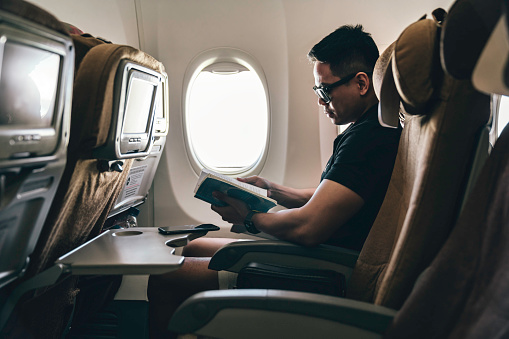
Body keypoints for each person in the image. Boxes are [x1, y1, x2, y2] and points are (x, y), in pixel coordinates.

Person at [147, 24, 402, 338]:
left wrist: (251, 218)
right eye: (316, 91)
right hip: (327, 254)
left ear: (362, 83)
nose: (321, 101)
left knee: (163, 277)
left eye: (326, 90)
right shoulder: (370, 129)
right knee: (193, 246)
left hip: (329, 270)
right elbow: (335, 196)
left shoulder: (368, 140)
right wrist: (274, 190)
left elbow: (308, 228)